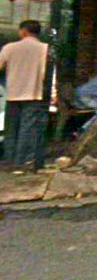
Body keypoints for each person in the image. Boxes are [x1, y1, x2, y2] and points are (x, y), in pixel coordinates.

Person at [0, 20, 49, 170]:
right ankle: (22, 160)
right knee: (27, 129)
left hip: (13, 93)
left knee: (11, 129)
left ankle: (9, 158)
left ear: (23, 31)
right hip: (34, 93)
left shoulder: (10, 47)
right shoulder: (44, 49)